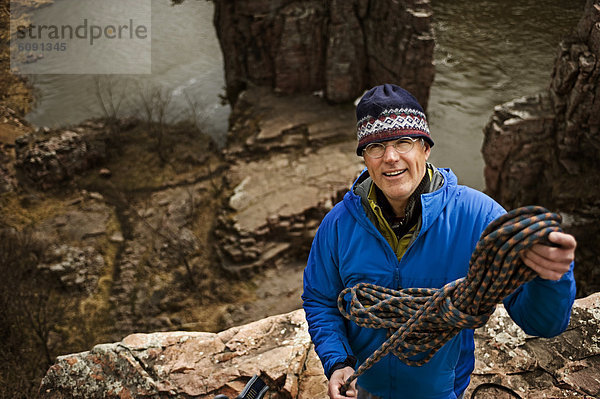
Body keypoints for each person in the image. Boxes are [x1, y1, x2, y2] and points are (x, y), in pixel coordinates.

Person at [301, 84, 577, 399]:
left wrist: (550, 277)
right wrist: (338, 361)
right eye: (376, 147)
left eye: (403, 142)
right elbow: (321, 300)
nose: (390, 157)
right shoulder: (338, 225)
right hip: (363, 389)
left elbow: (542, 324)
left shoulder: (479, 218)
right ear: (364, 156)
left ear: (426, 148)